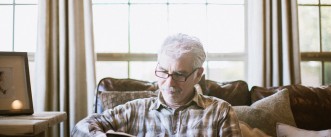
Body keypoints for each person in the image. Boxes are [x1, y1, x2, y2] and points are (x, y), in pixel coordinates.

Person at [71, 33, 242, 137]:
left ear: (198, 75)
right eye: (163, 72)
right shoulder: (135, 111)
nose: (169, 83)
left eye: (179, 74)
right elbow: (80, 128)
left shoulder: (221, 112)